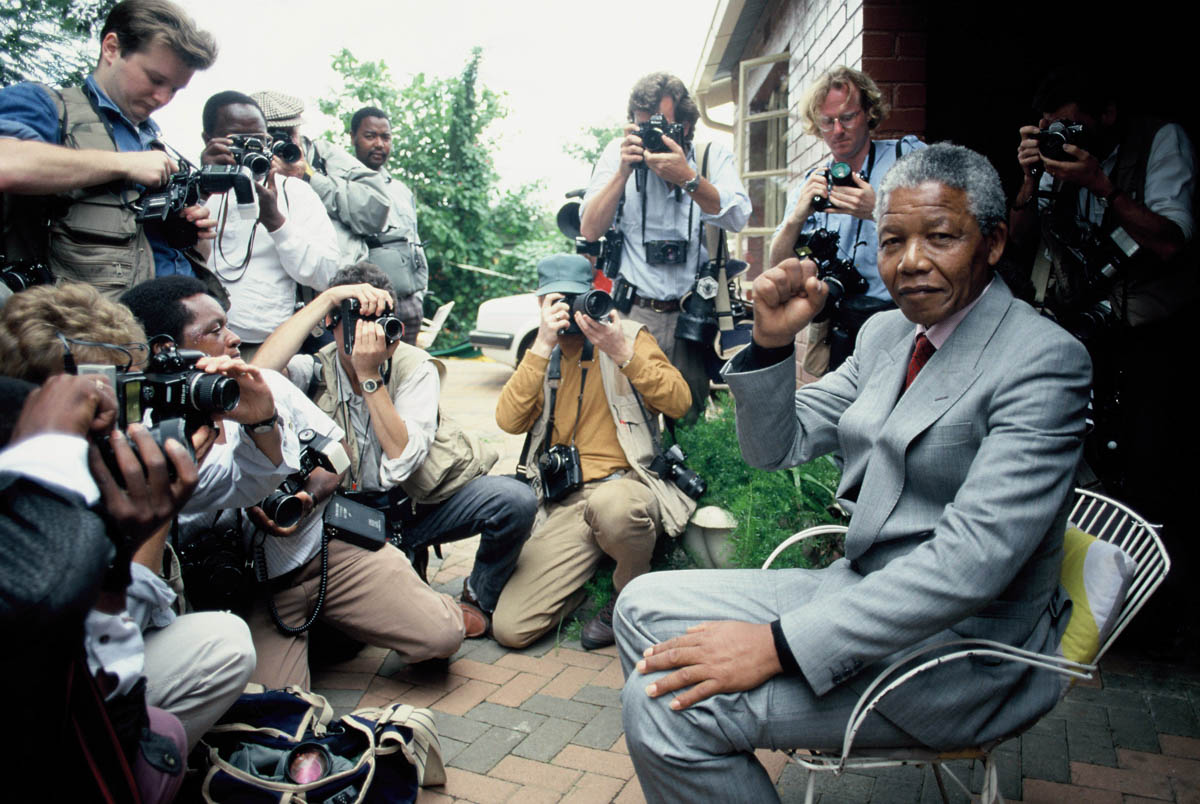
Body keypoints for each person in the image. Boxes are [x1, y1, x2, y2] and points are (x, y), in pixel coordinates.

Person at [616, 144, 1092, 803]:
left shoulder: (1042, 362)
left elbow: (970, 565)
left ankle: (701, 754)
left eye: (941, 236)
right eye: (892, 240)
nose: (911, 261)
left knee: (665, 707)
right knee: (637, 604)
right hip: (858, 587)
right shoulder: (887, 336)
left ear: (992, 243)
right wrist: (771, 345)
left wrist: (776, 648)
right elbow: (774, 445)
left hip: (960, 655)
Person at [121, 275, 467, 688]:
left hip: (322, 549)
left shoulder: (264, 386)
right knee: (277, 708)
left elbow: (338, 450)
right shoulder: (143, 437)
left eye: (228, 324)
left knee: (442, 635)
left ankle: (361, 615)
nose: (234, 339)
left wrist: (309, 495)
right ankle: (324, 634)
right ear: (165, 349)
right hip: (254, 590)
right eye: (215, 330)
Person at [0, 282, 259, 754]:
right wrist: (146, 524)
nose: (135, 418)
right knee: (215, 657)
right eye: (128, 396)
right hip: (49, 719)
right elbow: (109, 664)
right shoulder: (37, 491)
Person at [1007, 66, 1196, 652]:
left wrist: (1100, 185)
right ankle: (1074, 612)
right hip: (1078, 334)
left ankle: (1154, 628)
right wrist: (1028, 181)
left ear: (1108, 113)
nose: (1065, 135)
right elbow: (1011, 248)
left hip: (1149, 339)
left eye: (1073, 123)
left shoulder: (1159, 141)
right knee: (1071, 473)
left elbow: (1170, 241)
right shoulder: (1052, 167)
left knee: (1151, 476)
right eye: (1052, 127)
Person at [253, 262, 537, 639]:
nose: (372, 332)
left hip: (416, 504)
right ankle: (402, 566)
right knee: (350, 636)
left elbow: (402, 461)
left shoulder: (415, 365)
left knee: (513, 499)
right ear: (332, 322)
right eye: (357, 318)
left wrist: (369, 375)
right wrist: (327, 299)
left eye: (380, 320)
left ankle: (477, 596)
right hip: (346, 517)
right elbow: (257, 378)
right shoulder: (315, 367)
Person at [492, 255, 693, 650]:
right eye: (556, 301)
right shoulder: (542, 354)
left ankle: (628, 594)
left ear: (592, 296)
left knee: (613, 508)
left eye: (575, 298)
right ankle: (586, 576)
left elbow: (680, 402)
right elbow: (508, 421)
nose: (568, 310)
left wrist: (621, 352)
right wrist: (541, 345)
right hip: (567, 503)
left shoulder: (628, 336)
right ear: (541, 305)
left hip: (626, 487)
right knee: (510, 629)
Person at [0, 0, 219, 298]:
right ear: (112, 48)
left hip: (171, 329)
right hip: (81, 330)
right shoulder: (45, 105)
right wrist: (124, 163)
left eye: (175, 90)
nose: (163, 98)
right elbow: (7, 164)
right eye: (156, 79)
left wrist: (190, 229)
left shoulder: (156, 143)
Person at [579, 72, 751, 424]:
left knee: (687, 417)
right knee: (627, 419)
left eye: (662, 128)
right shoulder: (618, 155)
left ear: (686, 126)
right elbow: (590, 228)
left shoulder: (707, 157)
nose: (651, 139)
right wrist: (622, 174)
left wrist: (687, 178)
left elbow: (737, 217)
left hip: (692, 314)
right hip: (634, 312)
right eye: (643, 128)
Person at [768, 65, 926, 377]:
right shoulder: (814, 183)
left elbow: (948, 224)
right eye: (828, 122)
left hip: (904, 321)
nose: (838, 130)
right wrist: (796, 218)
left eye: (847, 117)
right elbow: (777, 264)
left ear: (869, 111)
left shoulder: (906, 157)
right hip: (841, 328)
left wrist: (878, 209)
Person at [251, 94, 430, 345]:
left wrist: (308, 176)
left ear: (298, 131)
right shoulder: (241, 166)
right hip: (261, 316)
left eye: (286, 135)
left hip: (330, 304)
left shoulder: (321, 158)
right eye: (269, 136)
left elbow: (378, 212)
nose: (379, 143)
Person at [199, 91, 340, 361]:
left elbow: (327, 274)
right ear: (208, 140)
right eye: (238, 142)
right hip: (205, 349)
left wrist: (275, 221)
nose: (250, 150)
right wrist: (203, 191)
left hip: (275, 349)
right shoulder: (192, 190)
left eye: (260, 141)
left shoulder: (296, 192)